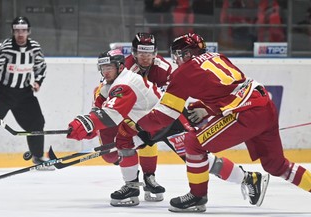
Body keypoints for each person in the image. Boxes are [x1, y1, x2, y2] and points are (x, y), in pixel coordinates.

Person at [67, 48, 269, 208]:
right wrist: (92, 127)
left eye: (109, 67)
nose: (106, 71)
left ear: (120, 66)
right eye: (103, 68)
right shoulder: (109, 85)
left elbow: (111, 114)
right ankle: (131, 187)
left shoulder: (125, 83)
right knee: (123, 140)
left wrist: (86, 123)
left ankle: (249, 178)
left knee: (198, 159)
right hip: (147, 124)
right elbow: (104, 111)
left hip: (168, 121)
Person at [132, 32, 311, 212]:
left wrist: (138, 126)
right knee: (276, 165)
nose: (176, 60)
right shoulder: (218, 57)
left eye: (177, 55)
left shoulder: (183, 73)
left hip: (246, 114)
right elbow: (230, 90)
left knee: (194, 143)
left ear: (186, 54)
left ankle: (197, 196)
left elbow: (165, 115)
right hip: (264, 105)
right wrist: (206, 108)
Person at [94, 32, 172, 202]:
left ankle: (146, 178)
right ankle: (129, 168)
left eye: (149, 53)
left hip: (150, 109)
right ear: (134, 53)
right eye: (141, 53)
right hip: (122, 107)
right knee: (110, 154)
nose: (145, 57)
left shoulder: (163, 68)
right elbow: (107, 92)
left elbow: (168, 98)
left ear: (155, 52)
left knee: (147, 136)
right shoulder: (124, 66)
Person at [0, 16, 53, 170]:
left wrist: (38, 81)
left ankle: (38, 157)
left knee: (37, 122)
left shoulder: (34, 47)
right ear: (12, 31)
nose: (20, 34)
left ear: (29, 31)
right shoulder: (5, 47)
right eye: (17, 30)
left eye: (23, 30)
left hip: (24, 94)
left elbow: (41, 66)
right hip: (1, 93)